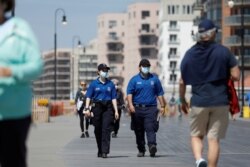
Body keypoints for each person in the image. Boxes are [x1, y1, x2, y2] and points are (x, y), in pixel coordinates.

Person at [179, 19, 240, 167]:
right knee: (213, 139)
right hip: (220, 101)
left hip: (199, 102)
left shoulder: (190, 54)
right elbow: (236, 75)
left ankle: (199, 159)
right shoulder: (224, 52)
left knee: (196, 135)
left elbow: (182, 82)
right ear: (213, 33)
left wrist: (182, 100)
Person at [0, 0, 43, 166]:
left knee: (12, 161)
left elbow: (36, 66)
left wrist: (11, 72)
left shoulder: (19, 29)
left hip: (13, 111)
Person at [127, 59, 165, 157]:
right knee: (138, 130)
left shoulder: (154, 79)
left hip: (151, 108)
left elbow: (160, 93)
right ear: (139, 67)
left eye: (147, 66)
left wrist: (162, 106)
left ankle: (152, 146)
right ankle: (141, 149)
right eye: (144, 66)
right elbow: (129, 94)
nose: (146, 68)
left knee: (150, 128)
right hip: (137, 109)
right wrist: (131, 105)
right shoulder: (134, 80)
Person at [84, 63, 119, 158]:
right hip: (97, 107)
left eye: (106, 70)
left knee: (106, 129)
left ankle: (105, 151)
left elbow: (114, 98)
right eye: (103, 70)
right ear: (98, 72)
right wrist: (87, 108)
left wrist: (116, 111)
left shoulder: (110, 84)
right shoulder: (93, 84)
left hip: (108, 108)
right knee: (98, 129)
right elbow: (88, 97)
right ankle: (100, 148)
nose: (105, 72)